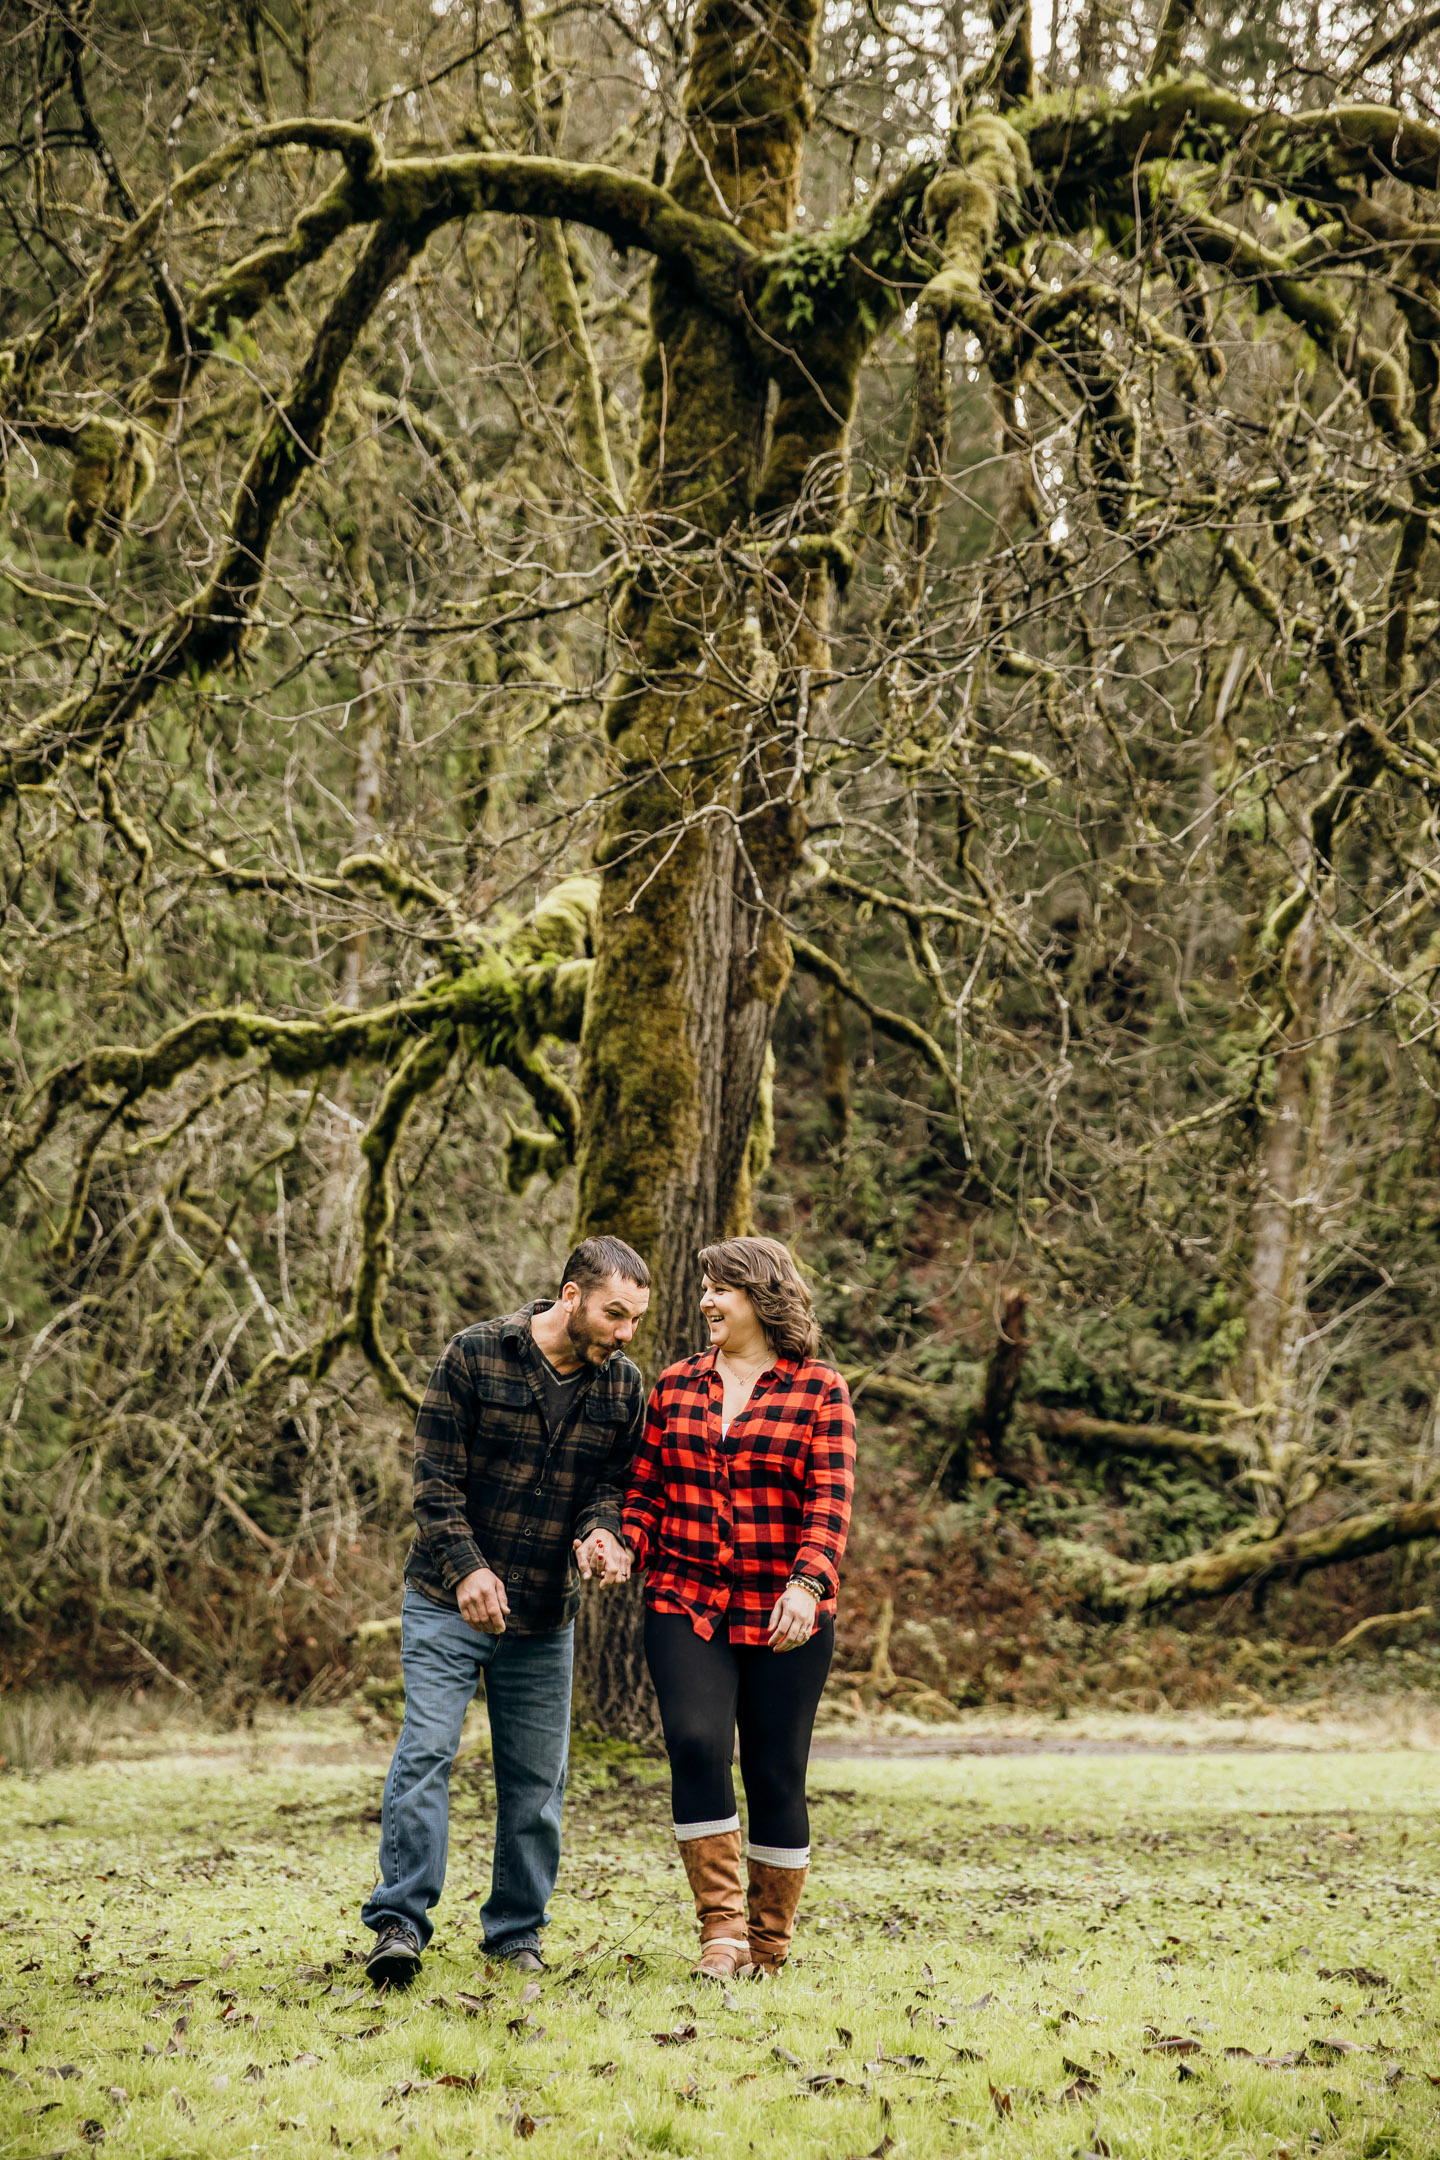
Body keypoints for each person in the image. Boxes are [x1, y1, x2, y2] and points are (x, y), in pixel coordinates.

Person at [361, 1237, 649, 1988]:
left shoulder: (623, 1387)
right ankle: (399, 1924)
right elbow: (433, 1485)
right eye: (615, 1314)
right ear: (571, 1296)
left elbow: (613, 1486)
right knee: (425, 1753)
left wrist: (601, 1533)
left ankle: (516, 1934)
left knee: (537, 1781)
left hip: (545, 1616)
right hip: (443, 1602)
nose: (625, 1334)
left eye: (636, 1322)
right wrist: (469, 1570)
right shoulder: (474, 1355)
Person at [621, 1236, 855, 1979]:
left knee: (776, 1770)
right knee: (693, 1742)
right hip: (685, 1600)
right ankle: (720, 1933)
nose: (706, 1302)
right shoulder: (675, 1386)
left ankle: (769, 1942)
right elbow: (646, 1490)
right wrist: (623, 1542)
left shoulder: (820, 1390)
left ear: (762, 1297)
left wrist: (807, 1585)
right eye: (704, 1287)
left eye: (720, 1289)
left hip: (785, 1612)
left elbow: (829, 1503)